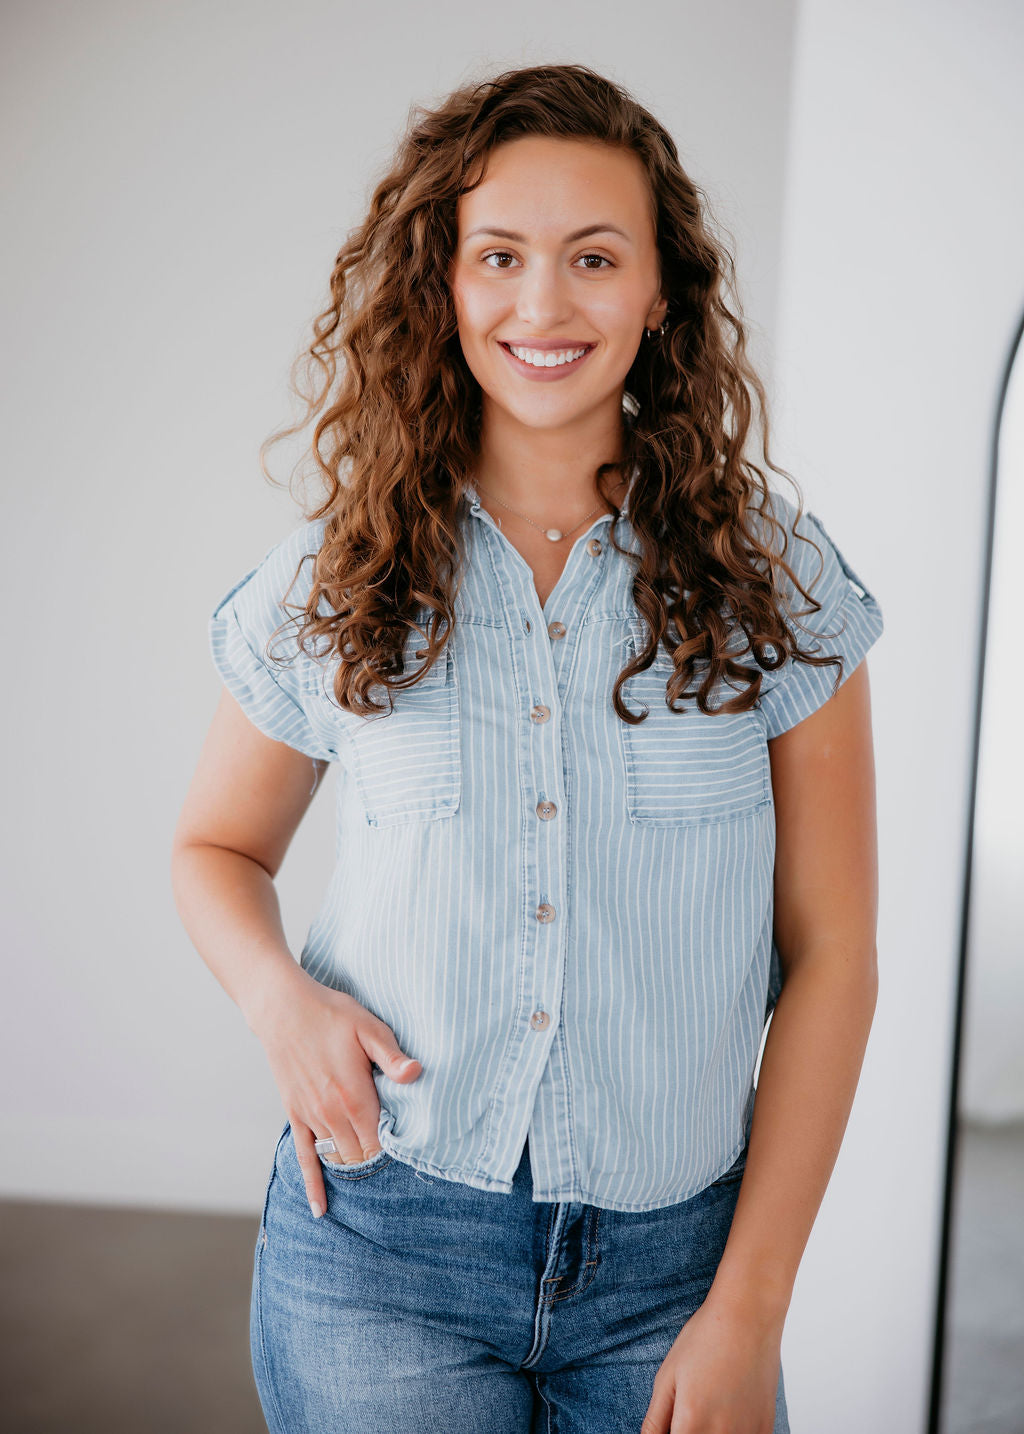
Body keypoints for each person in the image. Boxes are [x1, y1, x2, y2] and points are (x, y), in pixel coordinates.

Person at [171, 61, 884, 1434]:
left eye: (594, 257)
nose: (543, 305)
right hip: (381, 1254)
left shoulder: (779, 585)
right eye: (498, 256)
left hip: (678, 1276)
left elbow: (837, 957)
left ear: (661, 291)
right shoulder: (343, 570)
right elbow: (214, 847)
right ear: (443, 284)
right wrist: (279, 1001)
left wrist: (749, 1309)